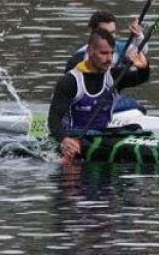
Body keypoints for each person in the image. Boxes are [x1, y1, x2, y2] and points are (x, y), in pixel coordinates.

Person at [48, 27, 150, 161]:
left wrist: (144, 68)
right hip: (76, 139)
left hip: (101, 136)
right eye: (104, 53)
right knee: (93, 135)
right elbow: (53, 120)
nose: (109, 59)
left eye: (111, 53)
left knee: (136, 129)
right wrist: (64, 140)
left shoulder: (113, 76)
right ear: (90, 51)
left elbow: (140, 78)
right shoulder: (71, 81)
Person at [63, 9, 146, 73]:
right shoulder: (77, 58)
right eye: (105, 33)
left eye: (112, 32)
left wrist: (138, 36)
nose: (110, 37)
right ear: (92, 33)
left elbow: (142, 51)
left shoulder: (120, 48)